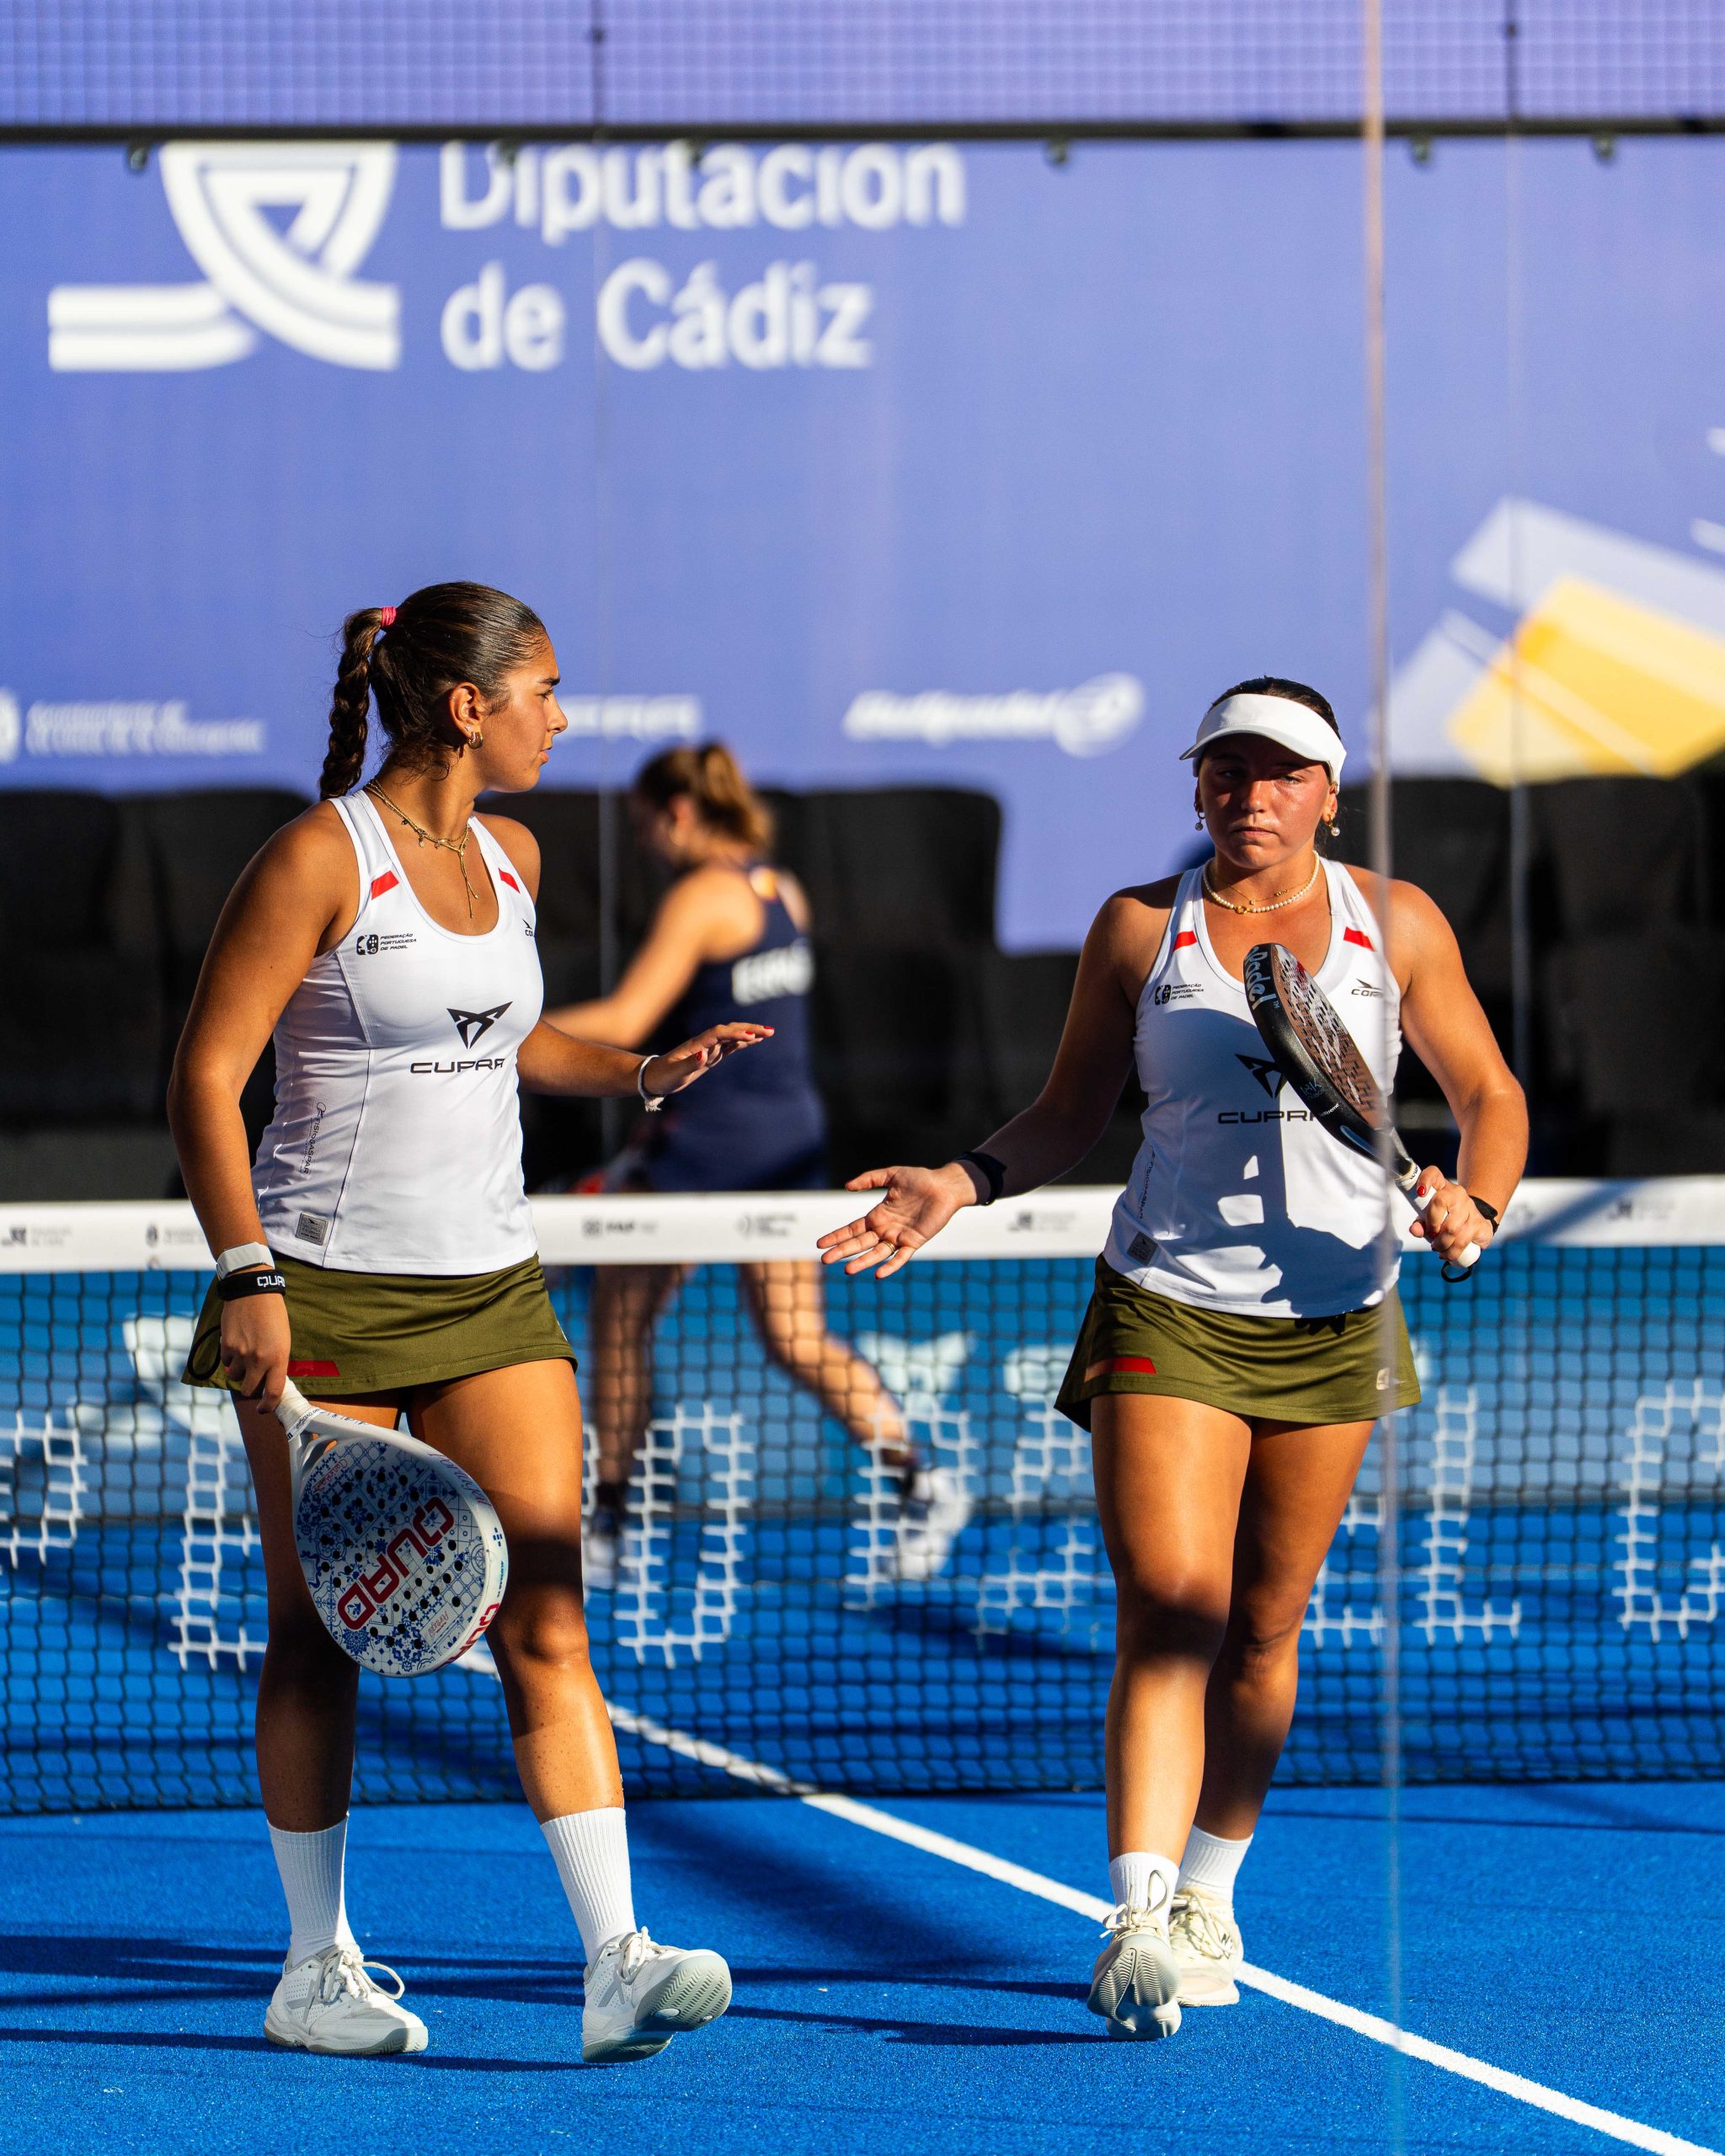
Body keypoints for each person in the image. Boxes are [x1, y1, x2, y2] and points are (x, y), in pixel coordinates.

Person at [817, 677, 1527, 2041]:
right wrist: (960, 1181)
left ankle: (1208, 1894)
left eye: (1281, 772)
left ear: (1327, 794)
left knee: (1263, 1628)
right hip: (1168, 1307)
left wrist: (1477, 1200)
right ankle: (1136, 1915)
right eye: (1227, 770)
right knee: (1171, 1607)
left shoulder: (1398, 924)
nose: (1250, 795)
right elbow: (1068, 1110)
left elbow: (1489, 1095)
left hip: (1338, 1318)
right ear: (1197, 785)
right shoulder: (1141, 928)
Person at [168, 582, 766, 2063]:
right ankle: (314, 1971)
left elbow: (505, 1037)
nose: (562, 718)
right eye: (544, 691)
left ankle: (616, 1961)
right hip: (319, 1290)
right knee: (316, 1637)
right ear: (465, 704)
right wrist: (246, 1275)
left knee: (547, 1616)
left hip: (492, 1291)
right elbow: (205, 1080)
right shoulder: (318, 858)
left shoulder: (515, 856)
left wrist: (636, 1071)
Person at [546, 741, 969, 1589]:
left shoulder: (700, 895)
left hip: (705, 1151)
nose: (645, 843)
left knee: (620, 1326)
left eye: (644, 825)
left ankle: (607, 1526)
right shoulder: (782, 888)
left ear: (675, 813)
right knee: (796, 1338)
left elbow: (628, 1018)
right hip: (784, 1143)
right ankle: (923, 1485)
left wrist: (507, 1031)